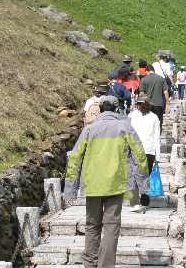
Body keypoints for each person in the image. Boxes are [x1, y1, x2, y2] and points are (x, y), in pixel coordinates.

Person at [64, 95, 148, 268]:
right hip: (116, 185)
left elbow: (74, 158)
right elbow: (140, 155)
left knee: (92, 225)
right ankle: (106, 265)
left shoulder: (89, 129)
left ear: (100, 109)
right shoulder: (125, 127)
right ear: (117, 109)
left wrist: (70, 190)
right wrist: (142, 185)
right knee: (111, 226)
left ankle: (90, 263)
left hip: (93, 185)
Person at [127, 95, 161, 213]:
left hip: (145, 150)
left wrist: (158, 155)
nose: (142, 106)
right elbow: (127, 134)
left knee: (140, 175)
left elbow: (156, 137)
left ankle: (140, 201)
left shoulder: (152, 117)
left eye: (142, 104)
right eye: (141, 104)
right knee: (137, 175)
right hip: (140, 150)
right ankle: (138, 202)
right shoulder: (132, 116)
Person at [139, 65, 170, 131]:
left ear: (147, 71)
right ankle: (158, 137)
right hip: (159, 104)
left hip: (147, 105)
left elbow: (142, 94)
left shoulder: (144, 80)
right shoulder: (161, 78)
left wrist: (140, 105)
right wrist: (167, 103)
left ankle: (150, 137)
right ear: (154, 70)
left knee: (148, 122)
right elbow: (165, 92)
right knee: (159, 122)